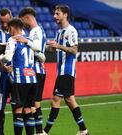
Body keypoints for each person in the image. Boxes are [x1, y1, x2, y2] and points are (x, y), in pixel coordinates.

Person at [43, 5, 89, 135]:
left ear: (65, 15)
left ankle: (45, 131)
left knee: (55, 99)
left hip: (67, 71)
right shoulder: (59, 32)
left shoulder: (71, 31)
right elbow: (54, 48)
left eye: (57, 14)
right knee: (70, 100)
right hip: (62, 71)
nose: (54, 16)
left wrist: (58, 46)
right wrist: (41, 46)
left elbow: (74, 50)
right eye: (54, 14)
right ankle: (83, 130)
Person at [0, 18, 36, 135]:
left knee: (18, 110)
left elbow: (8, 58)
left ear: (13, 28)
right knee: (28, 109)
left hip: (20, 79)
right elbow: (40, 52)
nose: (8, 31)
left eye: (9, 28)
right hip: (32, 78)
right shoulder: (28, 40)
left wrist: (0, 58)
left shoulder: (12, 39)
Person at [14, 7, 47, 135]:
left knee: (33, 105)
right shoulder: (37, 30)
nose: (23, 24)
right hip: (36, 71)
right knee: (31, 105)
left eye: (23, 21)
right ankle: (38, 132)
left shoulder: (35, 31)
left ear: (27, 18)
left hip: (35, 70)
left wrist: (25, 41)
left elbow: (37, 48)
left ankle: (39, 132)